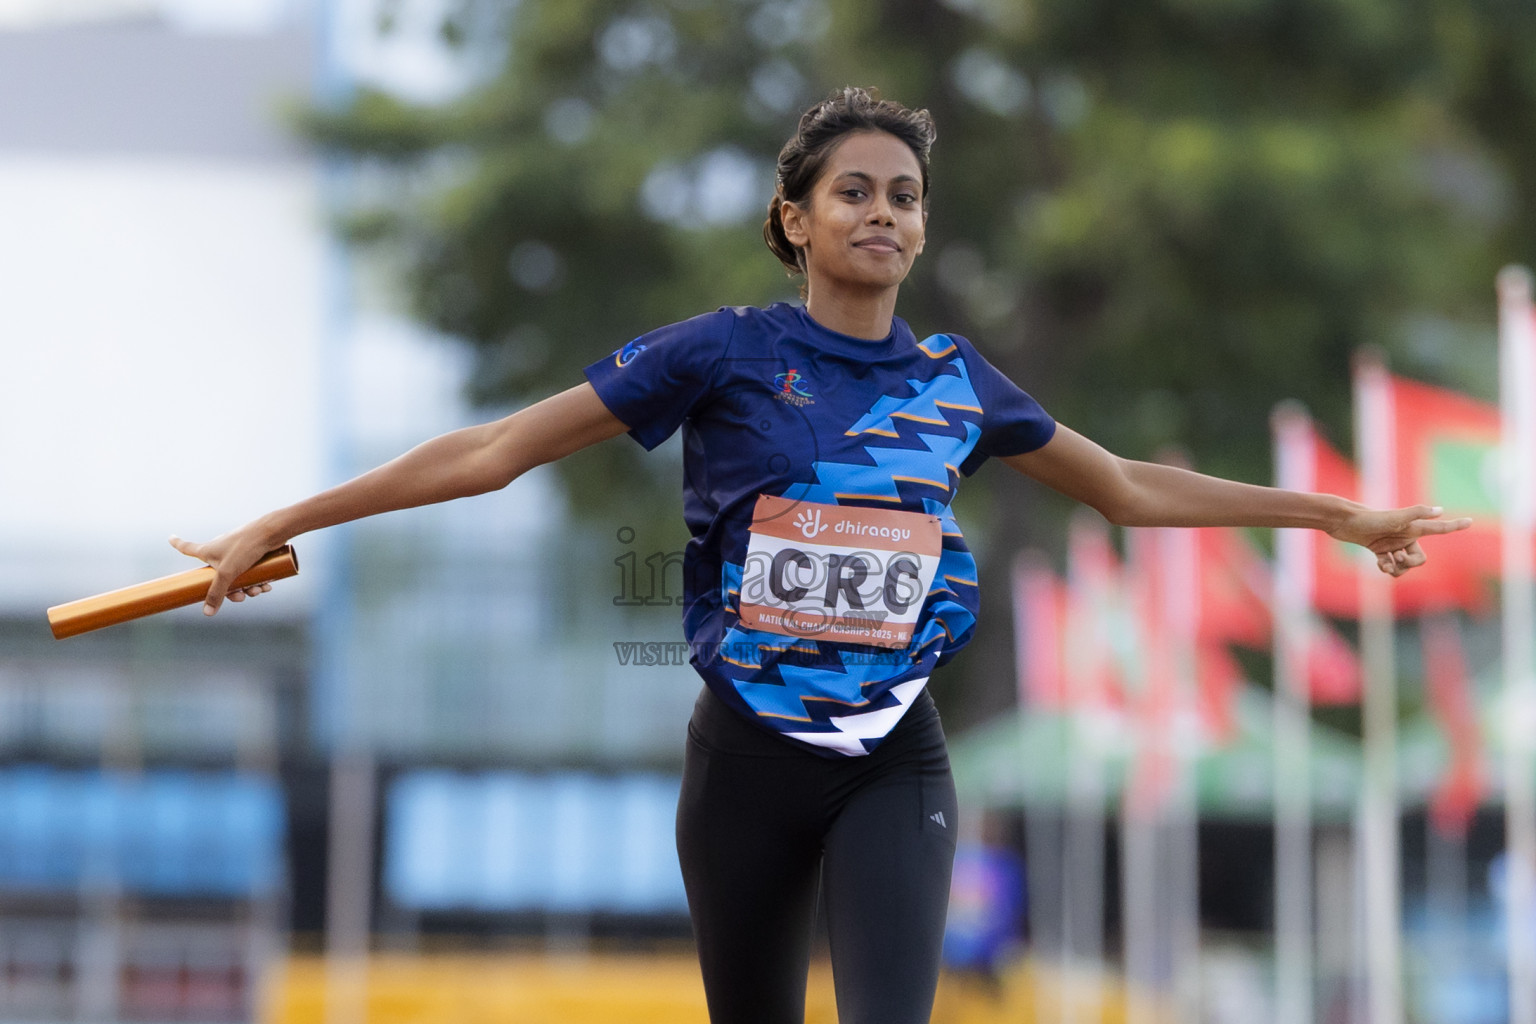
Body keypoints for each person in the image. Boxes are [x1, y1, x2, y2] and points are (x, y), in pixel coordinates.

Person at [172, 86, 1470, 1024]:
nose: (885, 214)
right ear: (794, 219)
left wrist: (1330, 516)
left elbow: (1125, 487)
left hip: (892, 760)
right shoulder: (723, 353)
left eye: (905, 197)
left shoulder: (959, 384)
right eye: (855, 191)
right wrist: (283, 521)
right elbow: (494, 451)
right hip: (742, 763)